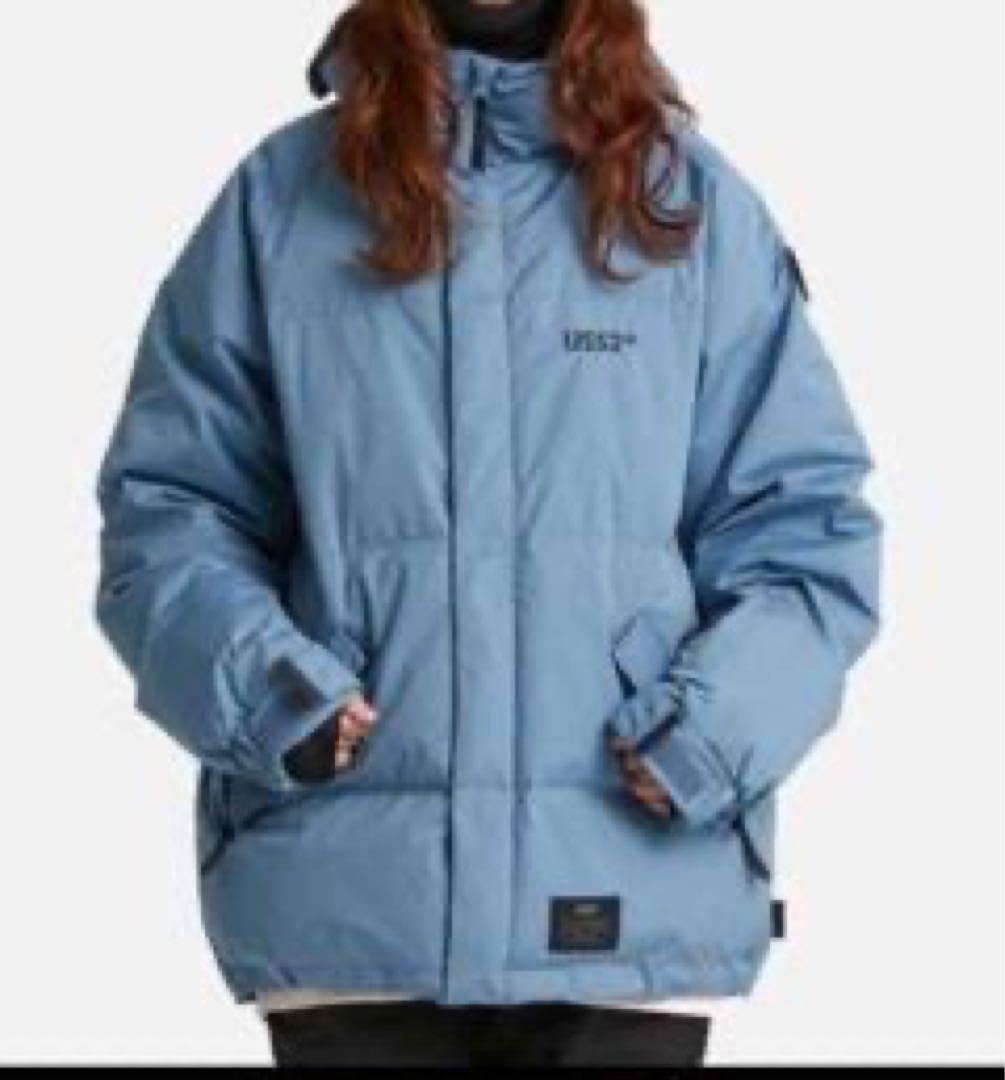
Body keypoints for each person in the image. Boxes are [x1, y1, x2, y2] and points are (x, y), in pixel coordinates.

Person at [93, 0, 882, 1068]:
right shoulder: (282, 200)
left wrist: (708, 735)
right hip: (353, 890)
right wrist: (271, 696)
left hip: (627, 879)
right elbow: (172, 507)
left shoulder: (688, 205)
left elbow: (804, 531)